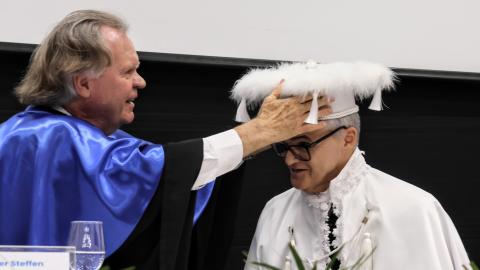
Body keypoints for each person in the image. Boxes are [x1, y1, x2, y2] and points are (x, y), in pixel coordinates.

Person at [0, 10, 332, 270]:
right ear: (84, 84)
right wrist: (261, 131)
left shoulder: (41, 131)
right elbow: (157, 172)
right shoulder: (48, 137)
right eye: (127, 72)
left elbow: (157, 175)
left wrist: (255, 141)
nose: (140, 82)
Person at [231, 61, 472, 270]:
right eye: (283, 146)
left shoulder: (414, 208)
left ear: (348, 138)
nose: (290, 159)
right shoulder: (275, 212)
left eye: (303, 144)